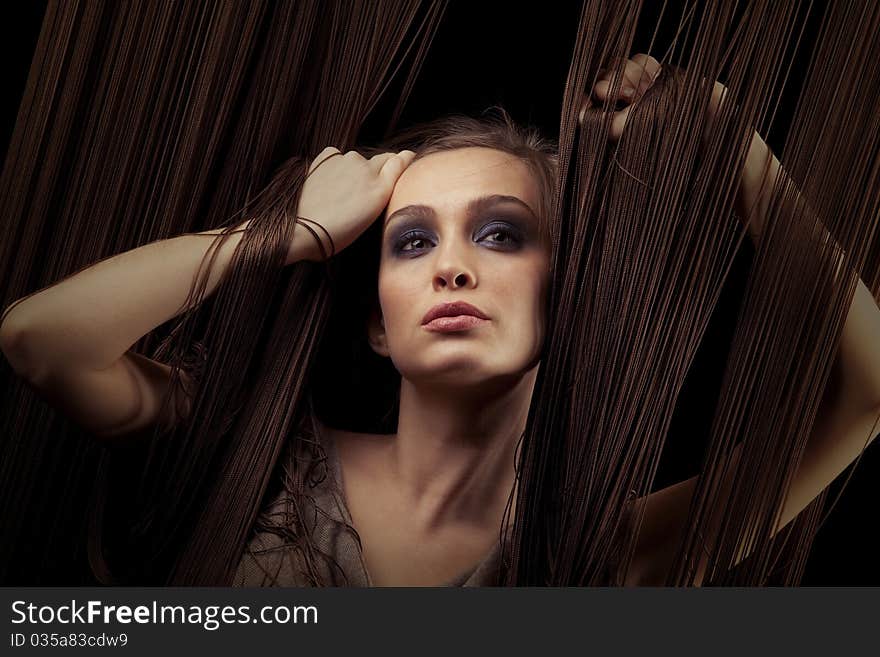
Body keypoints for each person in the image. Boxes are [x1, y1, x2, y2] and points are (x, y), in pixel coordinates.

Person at [2, 54, 879, 586]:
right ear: (378, 324)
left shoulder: (608, 554)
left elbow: (866, 393)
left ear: (560, 294)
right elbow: (40, 340)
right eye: (410, 242)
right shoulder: (246, 456)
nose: (452, 264)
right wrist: (285, 233)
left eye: (501, 233)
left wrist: (739, 152)